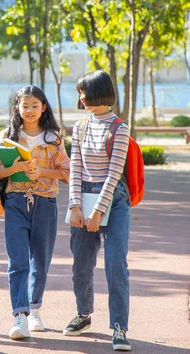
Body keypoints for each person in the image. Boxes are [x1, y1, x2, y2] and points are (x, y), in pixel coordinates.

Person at [0, 85, 70, 340]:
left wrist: (42, 172)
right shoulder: (8, 136)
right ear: (17, 108)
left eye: (35, 105)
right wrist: (12, 167)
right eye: (24, 106)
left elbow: (68, 173)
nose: (30, 110)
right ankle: (20, 315)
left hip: (45, 202)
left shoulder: (54, 138)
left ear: (43, 107)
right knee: (17, 261)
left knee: (41, 261)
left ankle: (34, 308)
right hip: (15, 202)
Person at [64, 70, 132, 351]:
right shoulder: (79, 127)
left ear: (97, 93)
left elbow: (115, 173)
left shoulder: (120, 128)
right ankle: (83, 314)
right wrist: (75, 205)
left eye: (84, 93)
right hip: (84, 199)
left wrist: (97, 212)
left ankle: (119, 327)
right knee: (81, 264)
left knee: (116, 265)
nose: (80, 98)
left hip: (113, 201)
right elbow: (75, 168)